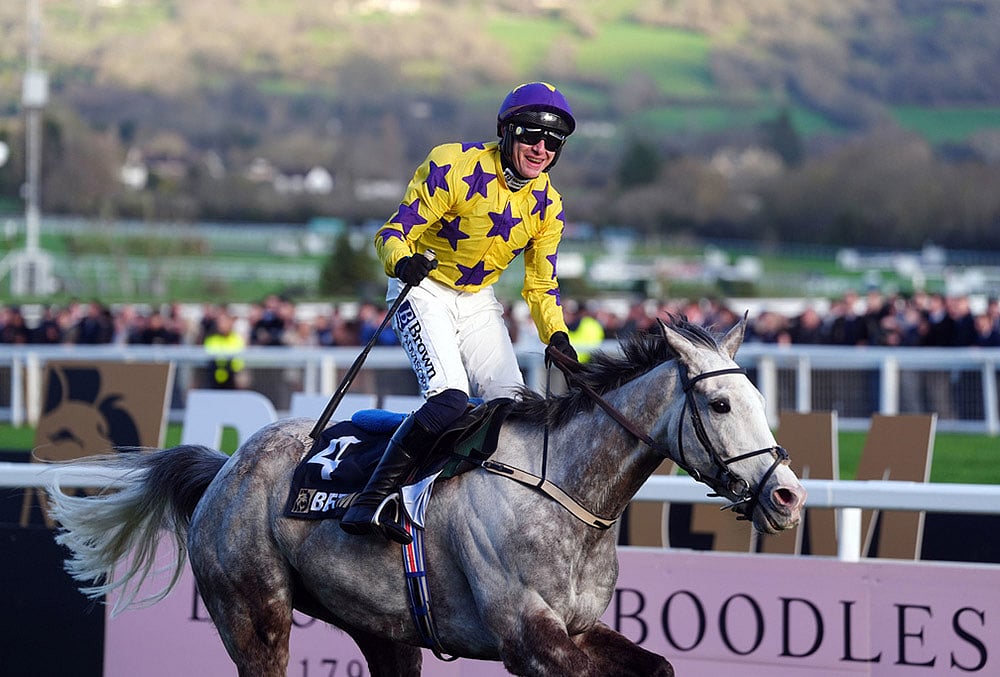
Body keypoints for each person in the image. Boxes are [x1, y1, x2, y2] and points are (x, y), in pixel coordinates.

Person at [340, 81, 580, 543]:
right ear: (506, 131)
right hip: (423, 287)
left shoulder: (549, 206)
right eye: (531, 135)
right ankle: (372, 499)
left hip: (477, 300)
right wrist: (402, 262)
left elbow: (540, 285)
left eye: (553, 142)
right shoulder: (453, 164)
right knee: (450, 399)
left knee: (512, 410)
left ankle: (462, 506)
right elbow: (392, 234)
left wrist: (556, 336)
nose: (541, 149)